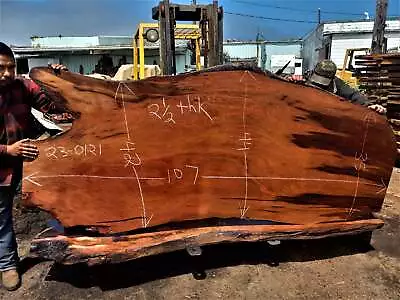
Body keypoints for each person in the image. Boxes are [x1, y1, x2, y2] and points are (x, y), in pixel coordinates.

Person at [0, 42, 71, 291]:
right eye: (1, 68)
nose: (7, 73)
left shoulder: (21, 86)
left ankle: (69, 244)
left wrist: (55, 81)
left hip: (29, 157)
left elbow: (49, 105)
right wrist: (8, 150)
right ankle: (7, 265)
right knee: (2, 217)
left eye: (11, 67)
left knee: (53, 198)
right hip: (1, 168)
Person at [289, 60, 386, 114]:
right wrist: (293, 80)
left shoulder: (338, 84)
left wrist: (369, 105)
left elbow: (354, 95)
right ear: (314, 72)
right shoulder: (305, 78)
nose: (319, 84)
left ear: (332, 78)